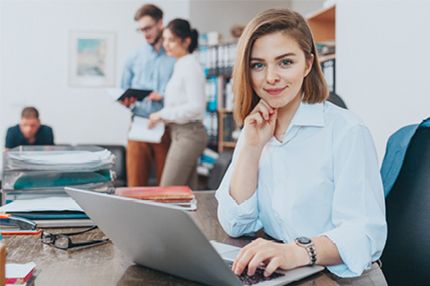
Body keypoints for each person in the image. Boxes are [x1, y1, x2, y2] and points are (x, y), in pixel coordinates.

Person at [215, 9, 387, 279]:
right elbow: (236, 223)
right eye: (258, 65)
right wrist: (251, 147)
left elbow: (364, 235)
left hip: (343, 278)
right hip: (288, 272)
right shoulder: (256, 128)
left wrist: (296, 251)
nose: (270, 77)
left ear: (308, 64)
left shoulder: (346, 131)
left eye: (285, 62)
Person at [148, 19, 208, 188]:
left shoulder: (190, 67)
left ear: (186, 41)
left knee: (167, 190)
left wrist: (161, 114)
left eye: (171, 40)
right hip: (179, 133)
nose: (166, 44)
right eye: (165, 39)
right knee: (187, 193)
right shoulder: (181, 65)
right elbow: (182, 99)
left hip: (189, 134)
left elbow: (196, 106)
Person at [121, 4, 175, 187]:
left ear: (160, 24)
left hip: (165, 127)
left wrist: (163, 96)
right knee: (135, 186)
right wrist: (126, 101)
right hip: (139, 125)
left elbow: (182, 95)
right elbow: (123, 90)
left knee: (166, 186)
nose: (145, 34)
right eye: (141, 30)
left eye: (148, 28)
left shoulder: (175, 58)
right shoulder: (133, 58)